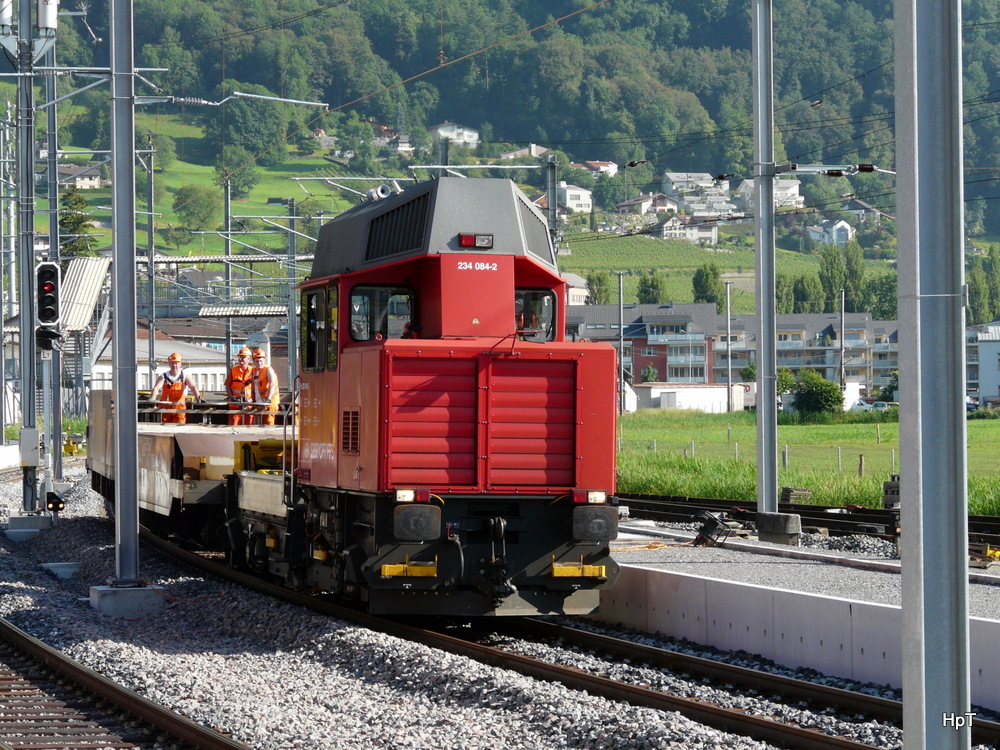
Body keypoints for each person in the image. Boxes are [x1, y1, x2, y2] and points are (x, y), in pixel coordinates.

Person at [149, 353, 200, 424]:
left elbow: (193, 386)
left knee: (179, 428)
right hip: (165, 408)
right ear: (169, 364)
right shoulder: (163, 376)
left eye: (176, 363)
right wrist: (153, 397)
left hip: (180, 408)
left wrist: (198, 397)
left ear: (180, 364)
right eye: (172, 363)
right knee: (164, 428)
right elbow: (156, 387)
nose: (174, 365)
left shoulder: (185, 376)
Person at [250, 348, 281, 425]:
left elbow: (272, 383)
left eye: (261, 361)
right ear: (253, 361)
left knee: (269, 423)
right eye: (257, 361)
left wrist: (268, 399)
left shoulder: (268, 370)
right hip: (258, 403)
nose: (259, 363)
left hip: (269, 403)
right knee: (257, 425)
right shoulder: (254, 371)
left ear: (264, 360)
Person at [225, 346, 254, 425]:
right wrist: (232, 397)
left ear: (249, 358)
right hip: (235, 404)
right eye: (239, 357)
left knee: (249, 426)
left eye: (243, 357)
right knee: (233, 425)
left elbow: (256, 388)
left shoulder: (253, 371)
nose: (240, 359)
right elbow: (227, 385)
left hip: (249, 405)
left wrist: (252, 399)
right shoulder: (233, 370)